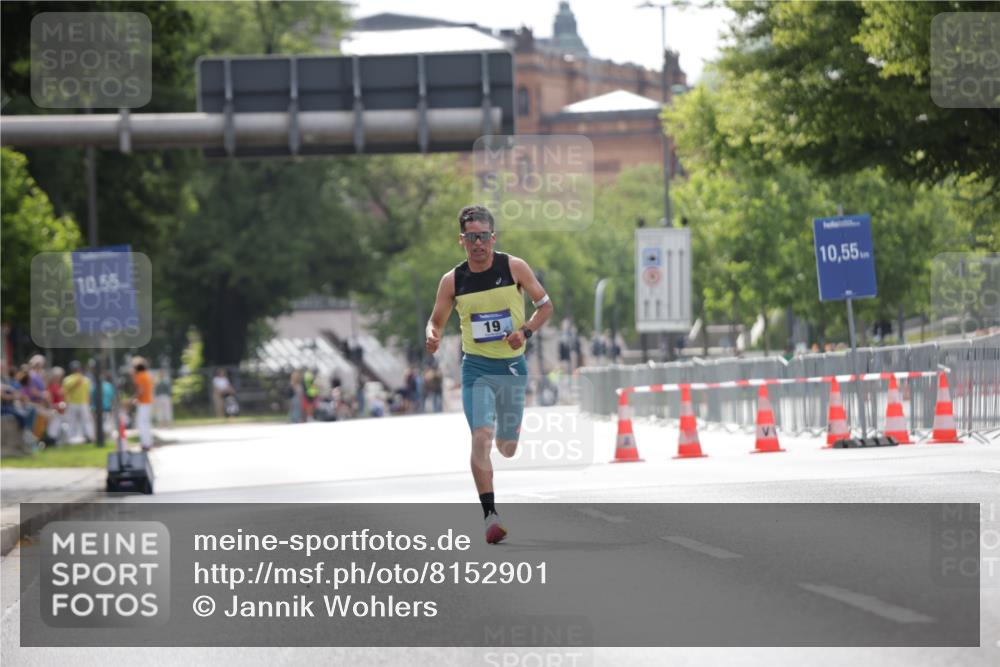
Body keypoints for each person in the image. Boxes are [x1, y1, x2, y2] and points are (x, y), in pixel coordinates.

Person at [425, 205, 553, 544]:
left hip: (511, 367)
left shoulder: (514, 267)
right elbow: (436, 319)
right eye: (471, 237)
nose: (478, 243)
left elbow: (545, 306)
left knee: (506, 447)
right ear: (462, 240)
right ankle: (490, 517)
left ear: (493, 237)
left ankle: (508, 430)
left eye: (483, 236)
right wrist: (432, 333)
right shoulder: (452, 280)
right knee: (480, 437)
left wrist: (524, 332)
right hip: (476, 368)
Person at [62, 360, 94, 443]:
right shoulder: (86, 379)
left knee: (73, 421)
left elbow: (65, 391)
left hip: (74, 403)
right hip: (81, 403)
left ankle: (71, 438)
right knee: (85, 421)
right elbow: (88, 394)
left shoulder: (67, 379)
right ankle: (88, 436)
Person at [131, 356, 154, 450]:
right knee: (146, 423)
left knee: (141, 423)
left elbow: (140, 390)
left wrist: (134, 398)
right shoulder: (147, 375)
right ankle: (148, 443)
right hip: (148, 401)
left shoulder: (139, 376)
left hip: (143, 402)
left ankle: (145, 444)